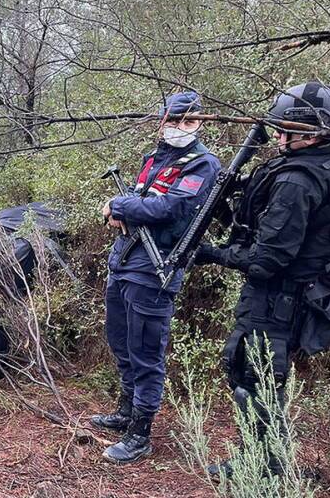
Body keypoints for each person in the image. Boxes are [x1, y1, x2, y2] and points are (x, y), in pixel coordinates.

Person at [195, 82, 330, 476]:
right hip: (309, 293)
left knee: (254, 379)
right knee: (267, 381)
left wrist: (212, 253)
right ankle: (268, 461)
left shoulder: (297, 181)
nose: (277, 137)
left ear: (312, 134)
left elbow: (266, 260)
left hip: (277, 300)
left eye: (285, 131)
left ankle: (265, 469)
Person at [94, 91, 222, 463]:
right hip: (124, 261)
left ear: (199, 123)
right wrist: (119, 213)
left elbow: (171, 208)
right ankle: (126, 412)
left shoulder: (203, 164)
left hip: (156, 270)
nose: (182, 127)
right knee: (120, 341)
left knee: (146, 351)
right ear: (162, 120)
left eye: (190, 121)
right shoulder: (154, 158)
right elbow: (142, 202)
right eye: (175, 120)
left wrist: (119, 205)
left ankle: (140, 434)